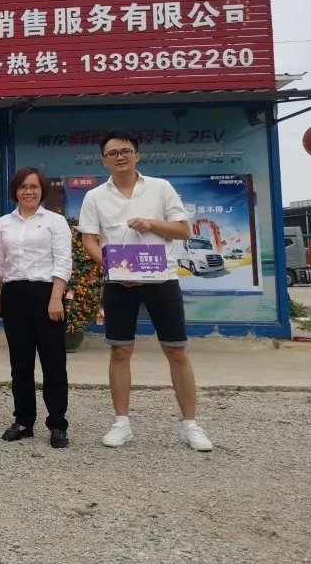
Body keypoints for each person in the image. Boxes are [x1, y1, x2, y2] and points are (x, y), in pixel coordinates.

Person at [78, 130, 213, 452]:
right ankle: (121, 423)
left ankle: (190, 425)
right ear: (104, 161)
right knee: (120, 351)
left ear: (137, 155)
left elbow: (183, 230)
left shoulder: (160, 188)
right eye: (113, 153)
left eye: (125, 151)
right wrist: (113, 269)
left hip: (162, 280)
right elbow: (89, 240)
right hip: (119, 283)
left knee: (176, 350)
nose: (120, 157)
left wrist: (151, 224)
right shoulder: (95, 197)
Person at [0, 167, 73, 449]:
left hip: (46, 294)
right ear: (15, 190)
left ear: (42, 190)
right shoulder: (4, 223)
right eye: (23, 186)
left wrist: (56, 297)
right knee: (20, 364)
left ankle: (57, 424)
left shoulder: (55, 221)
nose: (28, 191)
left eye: (34, 186)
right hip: (14, 296)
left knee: (53, 364)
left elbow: (63, 261)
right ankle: (24, 421)